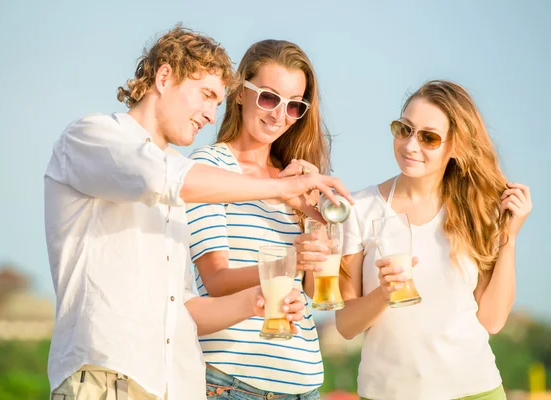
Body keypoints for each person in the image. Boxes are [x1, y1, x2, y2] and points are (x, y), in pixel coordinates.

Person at [44, 26, 352, 400]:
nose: (209, 114)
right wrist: (281, 190)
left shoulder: (177, 180)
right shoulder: (94, 135)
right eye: (205, 95)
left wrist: (259, 299)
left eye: (216, 102)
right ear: (164, 76)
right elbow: (165, 178)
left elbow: (183, 304)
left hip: (172, 384)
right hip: (108, 376)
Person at [335, 80, 532, 400]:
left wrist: (508, 239)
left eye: (429, 137)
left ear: (455, 146)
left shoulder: (477, 211)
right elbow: (345, 325)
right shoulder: (359, 209)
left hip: (474, 391)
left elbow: (492, 320)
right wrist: (385, 294)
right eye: (404, 129)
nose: (411, 145)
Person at [186, 39, 332, 399]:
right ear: (239, 93)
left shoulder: (295, 180)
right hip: (233, 383)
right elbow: (217, 281)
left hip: (305, 384)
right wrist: (289, 263)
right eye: (269, 97)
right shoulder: (209, 168)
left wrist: (315, 214)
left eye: (294, 106)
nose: (278, 114)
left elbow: (317, 291)